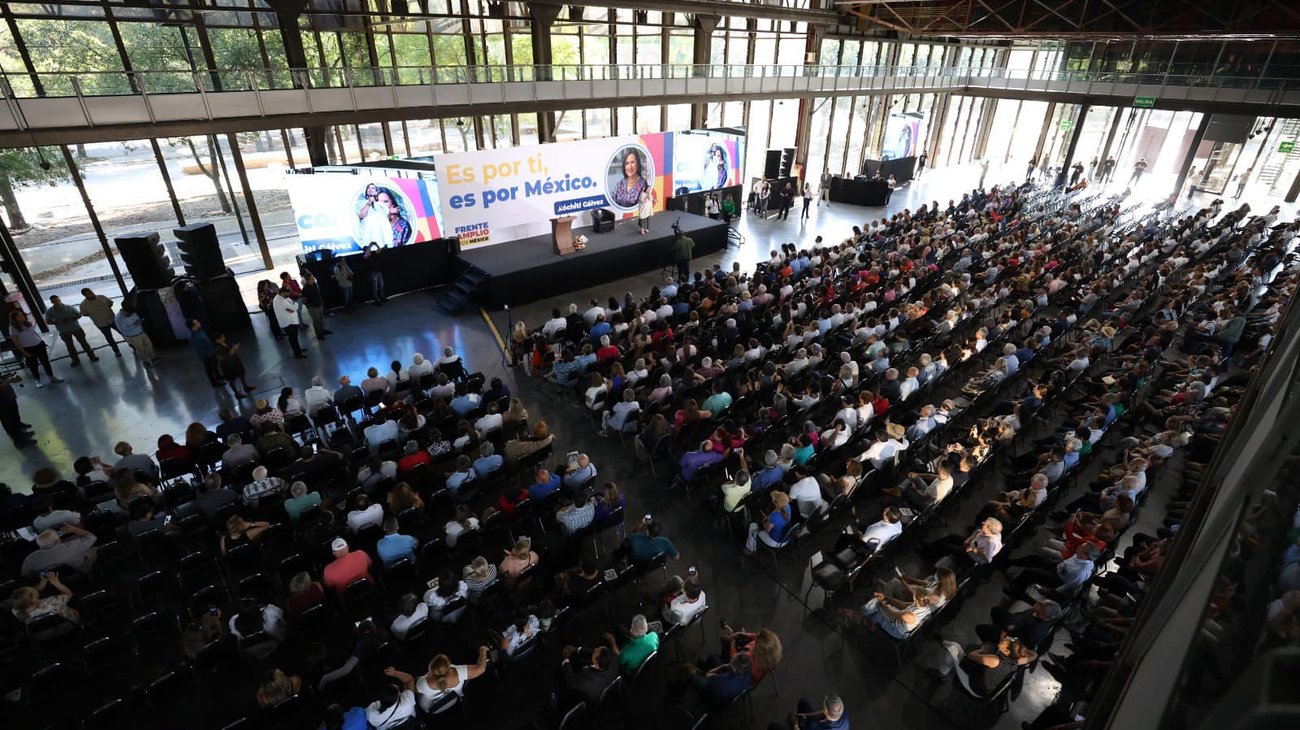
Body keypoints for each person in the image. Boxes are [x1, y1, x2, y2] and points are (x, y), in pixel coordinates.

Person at [413, 648, 490, 713]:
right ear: (448, 666)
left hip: (432, 709)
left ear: (431, 669)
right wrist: (482, 650)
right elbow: (481, 669)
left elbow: (413, 690)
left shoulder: (422, 683)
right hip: (453, 700)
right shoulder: (458, 673)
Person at [9, 310, 62, 388]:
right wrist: (24, 352)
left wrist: (41, 341)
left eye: (21, 315)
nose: (22, 316)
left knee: (45, 362)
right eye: (19, 316)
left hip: (39, 345)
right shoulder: (13, 329)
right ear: (15, 319)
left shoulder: (28, 323)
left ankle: (51, 377)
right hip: (28, 348)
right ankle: (37, 380)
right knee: (33, 365)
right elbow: (16, 342)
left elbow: (34, 333)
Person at [21, 525, 98, 578]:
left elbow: (25, 575)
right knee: (96, 549)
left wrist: (43, 575)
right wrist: (74, 529)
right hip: (79, 570)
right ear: (57, 541)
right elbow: (92, 537)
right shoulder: (71, 546)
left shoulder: (30, 558)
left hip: (51, 580)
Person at [46, 294, 98, 366]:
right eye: (54, 301)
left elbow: (79, 315)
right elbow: (48, 321)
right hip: (64, 331)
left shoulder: (69, 307)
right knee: (70, 346)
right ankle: (75, 360)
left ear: (60, 299)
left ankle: (92, 356)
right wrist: (59, 321)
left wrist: (72, 318)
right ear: (52, 302)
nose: (57, 302)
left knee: (84, 343)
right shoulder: (50, 311)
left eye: (58, 300)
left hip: (76, 328)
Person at [745, 491, 793, 555]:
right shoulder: (787, 507)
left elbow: (766, 529)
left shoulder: (774, 517)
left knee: (753, 527)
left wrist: (764, 522)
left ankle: (750, 549)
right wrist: (768, 518)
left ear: (776, 503)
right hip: (786, 538)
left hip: (775, 542)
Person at [77, 288, 121, 357]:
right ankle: (116, 350)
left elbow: (110, 303)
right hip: (101, 324)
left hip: (113, 320)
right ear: (85, 296)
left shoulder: (101, 297)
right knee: (109, 338)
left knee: (123, 332)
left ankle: (132, 344)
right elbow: (85, 314)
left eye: (91, 291)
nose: (91, 293)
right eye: (89, 293)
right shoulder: (83, 305)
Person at [770, 693, 849, 730]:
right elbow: (822, 712)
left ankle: (797, 723)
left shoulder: (815, 728)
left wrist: (795, 725)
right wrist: (805, 715)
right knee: (803, 702)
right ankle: (799, 721)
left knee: (772, 727)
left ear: (827, 711)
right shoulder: (842, 713)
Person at [186, 319, 225, 387]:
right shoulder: (195, 337)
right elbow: (201, 349)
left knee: (215, 365)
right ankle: (214, 382)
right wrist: (208, 355)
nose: (199, 322)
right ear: (193, 326)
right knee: (209, 369)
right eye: (196, 322)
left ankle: (218, 376)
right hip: (206, 356)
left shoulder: (200, 331)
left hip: (211, 352)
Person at [1, 375, 35, 448]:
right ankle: (19, 441)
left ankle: (20, 434)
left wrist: (10, 378)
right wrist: (9, 380)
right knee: (10, 422)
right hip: (2, 404)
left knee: (14, 417)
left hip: (8, 399)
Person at [272, 286, 306, 358]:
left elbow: (291, 305)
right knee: (293, 338)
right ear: (283, 293)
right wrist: (295, 304)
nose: (288, 295)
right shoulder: (282, 301)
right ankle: (297, 353)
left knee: (294, 338)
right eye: (287, 293)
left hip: (290, 321)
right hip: (289, 322)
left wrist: (291, 307)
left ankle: (298, 350)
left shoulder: (279, 297)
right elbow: (294, 308)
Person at [301, 272, 332, 340]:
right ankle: (319, 335)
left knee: (321, 319)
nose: (314, 279)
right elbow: (304, 300)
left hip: (319, 304)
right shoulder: (305, 289)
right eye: (312, 278)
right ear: (308, 279)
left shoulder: (315, 284)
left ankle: (323, 331)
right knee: (316, 321)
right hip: (313, 307)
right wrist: (309, 306)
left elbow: (318, 293)